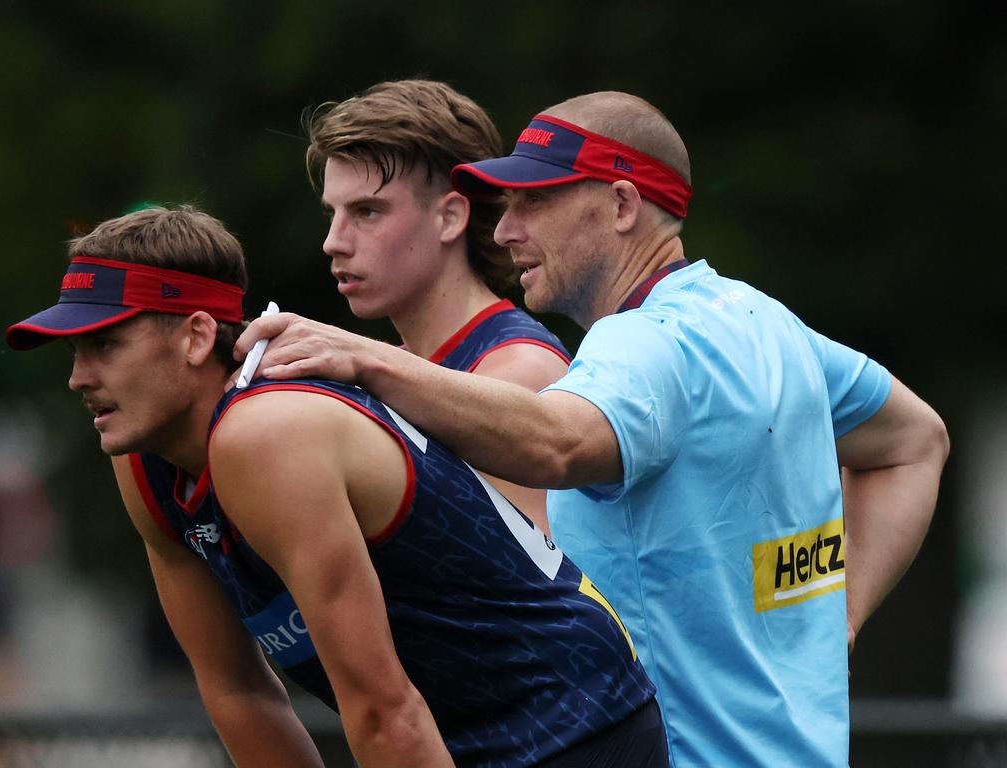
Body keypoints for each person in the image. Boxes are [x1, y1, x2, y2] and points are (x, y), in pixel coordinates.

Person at [233, 92, 951, 767]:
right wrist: (838, 614)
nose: (507, 228)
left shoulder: (642, 344)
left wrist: (363, 360)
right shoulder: (763, 321)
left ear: (621, 204)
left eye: (534, 202)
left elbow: (558, 441)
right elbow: (917, 439)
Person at [6, 205, 667, 768]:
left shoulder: (266, 433)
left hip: (575, 726)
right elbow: (240, 693)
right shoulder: (142, 458)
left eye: (105, 345)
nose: (78, 377)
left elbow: (384, 711)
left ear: (197, 336)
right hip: (445, 737)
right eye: (73, 351)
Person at [304, 79, 570, 533]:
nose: (334, 242)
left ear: (450, 217)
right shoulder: (401, 369)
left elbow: (534, 593)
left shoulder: (520, 373)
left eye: (367, 212)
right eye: (333, 213)